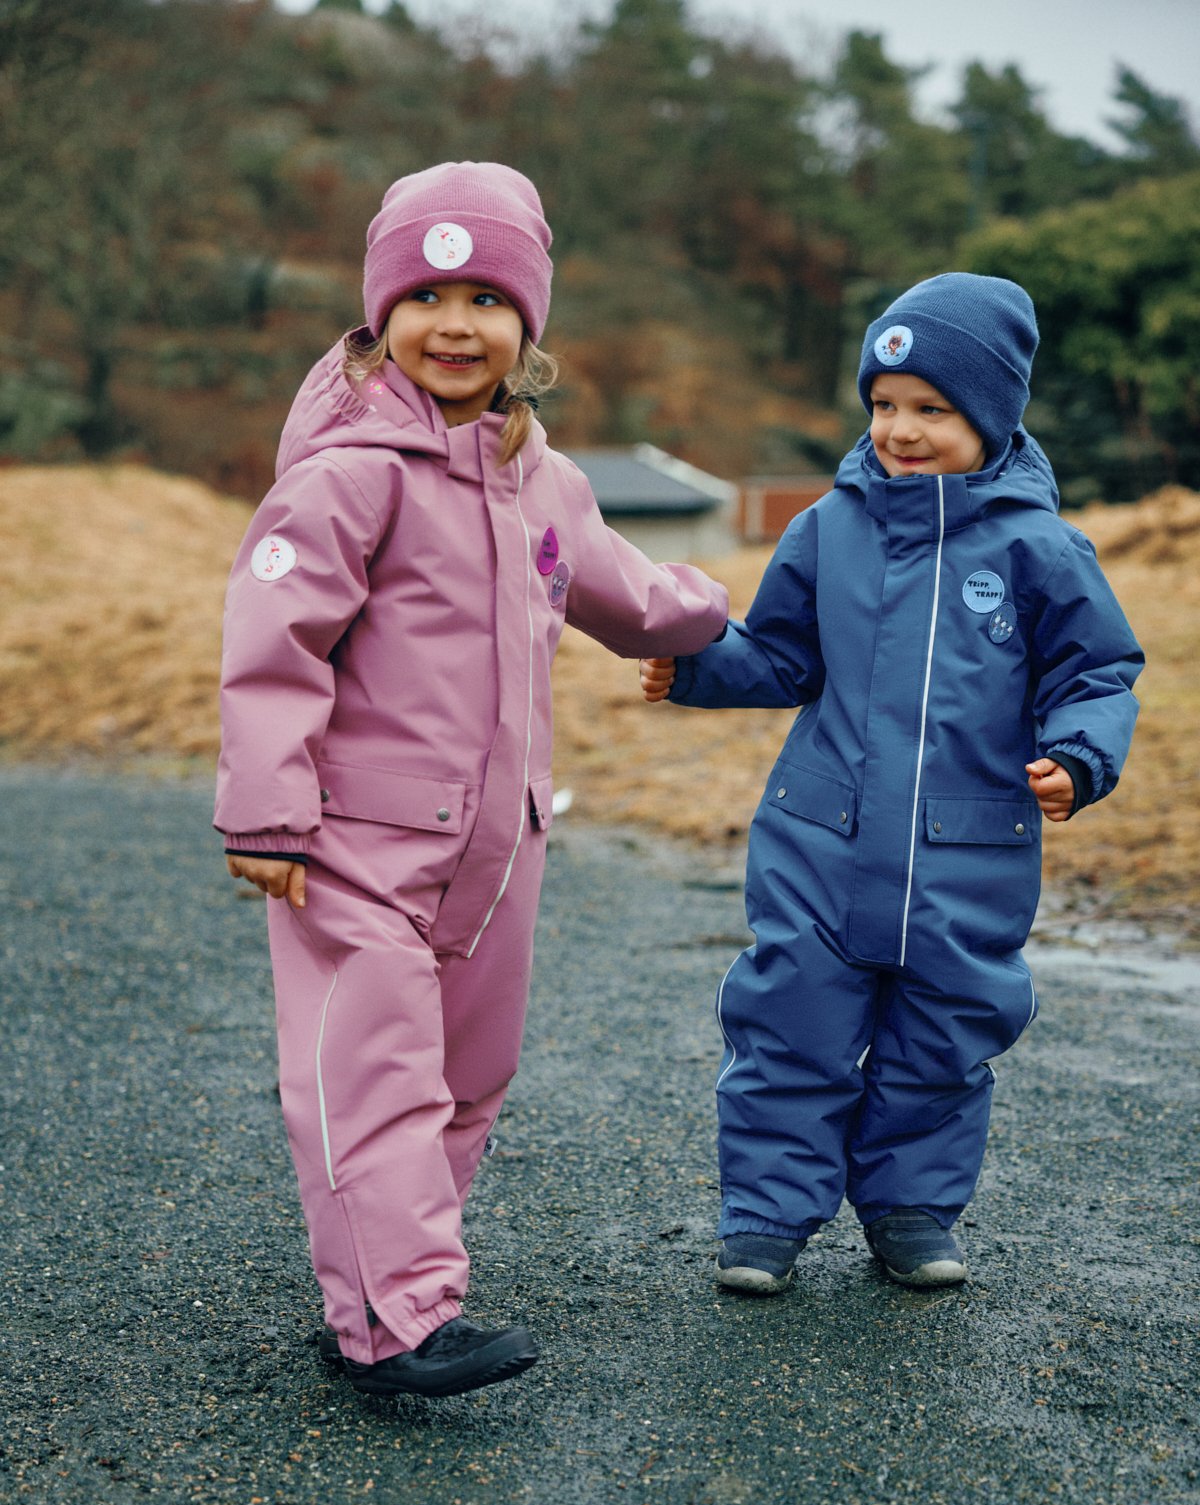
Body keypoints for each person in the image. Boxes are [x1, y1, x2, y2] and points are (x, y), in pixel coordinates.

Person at [216, 161, 728, 1396]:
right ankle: (398, 1318)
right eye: (427, 295)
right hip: (354, 838)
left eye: (487, 299)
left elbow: (627, 592)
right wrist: (268, 809)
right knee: (373, 1063)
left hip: (499, 851)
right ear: (381, 315)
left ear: (528, 325)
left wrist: (725, 626)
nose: (456, 324)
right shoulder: (351, 473)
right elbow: (272, 645)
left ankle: (386, 1285)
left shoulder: (544, 482)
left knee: (467, 1073)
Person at [640, 273, 1142, 1294]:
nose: (899, 431)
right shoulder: (830, 528)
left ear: (992, 415)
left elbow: (1096, 671)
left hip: (972, 849)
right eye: (882, 405)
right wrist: (697, 667)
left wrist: (1081, 755)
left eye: (931, 409)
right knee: (792, 1025)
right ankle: (766, 1220)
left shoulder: (1041, 549)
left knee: (944, 1039)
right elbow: (782, 656)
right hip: (819, 836)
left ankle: (912, 1209)